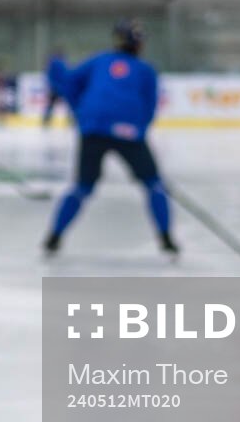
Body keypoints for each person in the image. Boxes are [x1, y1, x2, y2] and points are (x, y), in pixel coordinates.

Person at [42, 21, 176, 256]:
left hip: (94, 129)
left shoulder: (99, 60)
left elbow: (67, 81)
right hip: (130, 134)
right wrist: (137, 131)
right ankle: (166, 238)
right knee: (154, 185)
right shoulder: (145, 70)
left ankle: (54, 236)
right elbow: (150, 105)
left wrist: (55, 65)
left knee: (82, 187)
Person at [40, 48, 68, 126]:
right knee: (51, 106)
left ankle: (46, 121)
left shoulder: (55, 64)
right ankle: (46, 121)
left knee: (51, 106)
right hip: (56, 89)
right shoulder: (58, 64)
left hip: (57, 88)